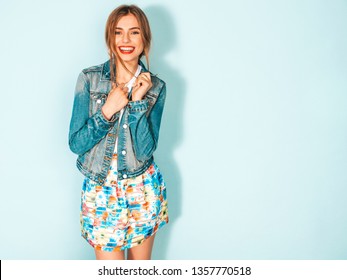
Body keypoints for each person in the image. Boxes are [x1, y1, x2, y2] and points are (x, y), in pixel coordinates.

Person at [68, 4, 168, 260]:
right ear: (109, 39)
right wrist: (107, 111)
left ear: (144, 39)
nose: (125, 40)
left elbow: (145, 151)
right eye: (118, 32)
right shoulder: (89, 79)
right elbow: (76, 144)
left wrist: (137, 104)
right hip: (101, 191)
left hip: (142, 188)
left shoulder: (156, 87)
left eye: (134, 32)